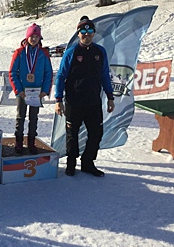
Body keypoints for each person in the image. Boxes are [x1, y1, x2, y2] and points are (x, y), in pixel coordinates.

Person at [55, 16, 115, 177]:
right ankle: (71, 163)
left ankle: (88, 162)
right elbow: (61, 76)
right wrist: (58, 100)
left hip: (93, 101)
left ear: (94, 33)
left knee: (96, 133)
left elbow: (104, 76)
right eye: (83, 31)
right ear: (78, 33)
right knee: (72, 135)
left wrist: (110, 96)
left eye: (89, 31)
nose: (86, 34)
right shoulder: (71, 52)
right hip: (74, 101)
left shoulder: (99, 52)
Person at [9, 23, 53, 154]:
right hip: (22, 92)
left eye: (36, 36)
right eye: (31, 36)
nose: (33, 39)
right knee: (20, 117)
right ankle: (18, 142)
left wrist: (45, 90)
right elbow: (12, 73)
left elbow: (48, 73)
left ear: (40, 38)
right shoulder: (20, 52)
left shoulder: (43, 53)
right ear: (27, 37)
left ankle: (31, 142)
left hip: (37, 93)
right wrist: (18, 90)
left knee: (34, 118)